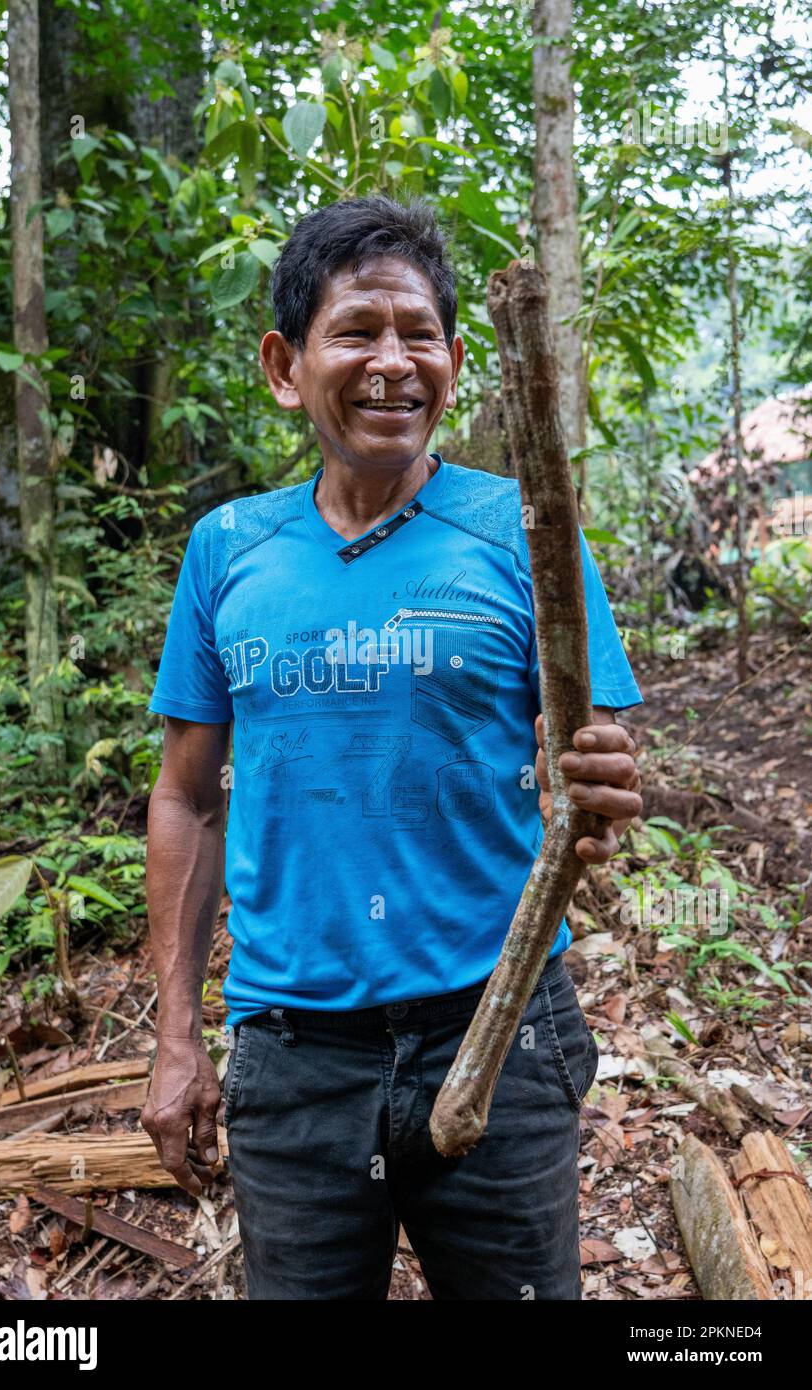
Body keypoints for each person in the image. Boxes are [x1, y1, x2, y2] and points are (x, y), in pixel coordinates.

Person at [141, 195, 643, 1300]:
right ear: (284, 366)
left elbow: (586, 747)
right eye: (356, 331)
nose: (392, 362)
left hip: (500, 1029)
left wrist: (595, 783)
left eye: (419, 334)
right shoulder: (227, 549)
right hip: (293, 1055)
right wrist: (177, 1036)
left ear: (455, 362)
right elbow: (188, 798)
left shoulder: (527, 528)